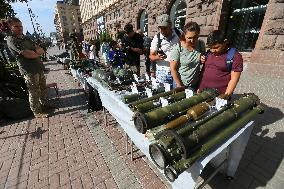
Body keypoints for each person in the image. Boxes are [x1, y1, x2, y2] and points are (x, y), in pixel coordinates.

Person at [6, 17, 49, 118]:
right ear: (10, 27)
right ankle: (37, 112)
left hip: (38, 67)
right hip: (29, 69)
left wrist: (35, 52)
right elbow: (28, 54)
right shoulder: (11, 40)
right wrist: (35, 53)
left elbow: (40, 49)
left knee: (43, 88)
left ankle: (44, 105)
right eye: (16, 26)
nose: (20, 28)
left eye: (21, 26)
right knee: (34, 91)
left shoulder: (26, 38)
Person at [198, 30, 243, 96]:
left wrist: (225, 97)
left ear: (225, 42)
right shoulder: (208, 53)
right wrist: (199, 87)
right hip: (202, 92)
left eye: (216, 47)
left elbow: (234, 79)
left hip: (218, 95)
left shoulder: (235, 56)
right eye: (210, 48)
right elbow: (203, 71)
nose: (213, 50)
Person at [170, 22, 205, 91]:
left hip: (194, 83)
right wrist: (179, 85)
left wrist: (202, 58)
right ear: (184, 35)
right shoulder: (178, 48)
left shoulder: (201, 44)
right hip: (180, 83)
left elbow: (201, 61)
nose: (192, 40)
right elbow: (172, 68)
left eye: (195, 37)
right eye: (189, 38)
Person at [149, 14, 182, 87]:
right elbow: (151, 56)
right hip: (164, 72)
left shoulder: (178, 32)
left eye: (164, 28)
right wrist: (157, 57)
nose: (162, 31)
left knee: (177, 94)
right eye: (160, 28)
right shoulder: (157, 38)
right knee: (164, 93)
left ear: (170, 25)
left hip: (177, 70)